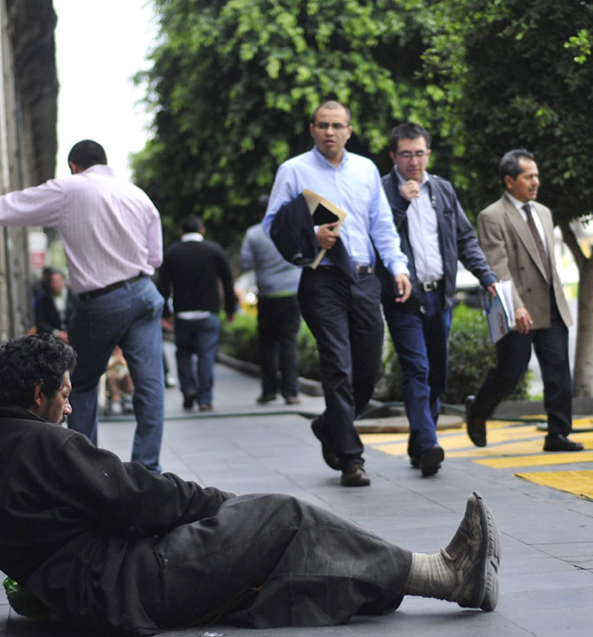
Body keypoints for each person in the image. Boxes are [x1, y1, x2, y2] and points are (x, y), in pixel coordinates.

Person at [0, 333, 501, 636]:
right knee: (283, 514)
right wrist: (224, 504)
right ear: (38, 393)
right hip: (135, 586)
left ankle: (397, 582)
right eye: (62, 393)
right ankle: (443, 576)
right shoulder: (44, 445)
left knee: (274, 537)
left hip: (100, 593)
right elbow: (141, 497)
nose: (69, 405)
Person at [0, 140, 167, 472]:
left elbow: (13, 205)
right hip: (144, 293)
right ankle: (148, 472)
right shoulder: (137, 194)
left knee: (78, 385)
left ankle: (87, 471)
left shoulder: (70, 189)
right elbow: (155, 257)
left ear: (73, 165)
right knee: (150, 387)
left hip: (103, 300)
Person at [263, 100, 412, 487]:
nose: (330, 131)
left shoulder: (365, 170)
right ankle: (351, 459)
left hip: (364, 279)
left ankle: (330, 424)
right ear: (312, 129)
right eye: (323, 125)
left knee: (368, 371)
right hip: (321, 279)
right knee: (338, 367)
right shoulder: (293, 170)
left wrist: (397, 267)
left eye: (338, 125)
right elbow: (272, 226)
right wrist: (311, 236)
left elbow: (382, 226)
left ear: (349, 130)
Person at [379, 123, 498, 477]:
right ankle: (429, 443)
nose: (413, 161)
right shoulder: (383, 191)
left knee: (437, 376)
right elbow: (379, 234)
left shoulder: (442, 190)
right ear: (393, 156)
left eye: (419, 153)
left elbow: (464, 239)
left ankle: (419, 445)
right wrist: (402, 200)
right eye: (405, 154)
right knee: (417, 370)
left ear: (428, 154)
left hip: (440, 296)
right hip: (404, 299)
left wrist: (486, 276)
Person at [464, 149, 584, 452]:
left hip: (551, 303)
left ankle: (557, 434)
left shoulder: (543, 212)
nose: (536, 182)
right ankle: (478, 408)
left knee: (558, 371)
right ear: (509, 181)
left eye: (536, 175)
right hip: (515, 306)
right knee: (511, 371)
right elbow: (498, 266)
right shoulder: (491, 216)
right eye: (528, 176)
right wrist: (516, 304)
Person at [157, 215, 237, 412]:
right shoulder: (214, 250)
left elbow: (163, 286)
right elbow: (228, 281)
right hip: (208, 313)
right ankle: (205, 398)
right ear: (202, 231)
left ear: (181, 232)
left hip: (183, 314)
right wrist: (230, 308)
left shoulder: (173, 252)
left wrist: (165, 313)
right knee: (206, 356)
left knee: (183, 354)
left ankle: (188, 390)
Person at [240, 208, 303, 406]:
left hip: (267, 293)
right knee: (289, 342)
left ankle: (269, 391)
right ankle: (291, 392)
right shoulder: (293, 229)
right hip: (292, 292)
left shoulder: (253, 233)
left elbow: (245, 262)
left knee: (267, 344)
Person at [34, 268, 78, 343]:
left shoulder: (74, 297)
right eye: (53, 282)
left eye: (58, 281)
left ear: (63, 281)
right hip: (52, 339)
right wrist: (58, 334)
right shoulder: (43, 299)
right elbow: (41, 322)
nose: (56, 285)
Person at [105, 347, 134, 415]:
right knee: (112, 377)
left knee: (128, 376)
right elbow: (107, 367)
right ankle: (116, 398)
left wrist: (121, 360)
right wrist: (115, 361)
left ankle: (128, 397)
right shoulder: (111, 358)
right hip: (114, 377)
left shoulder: (125, 358)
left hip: (124, 377)